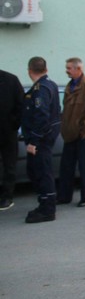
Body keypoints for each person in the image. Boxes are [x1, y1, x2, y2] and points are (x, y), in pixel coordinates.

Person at [57, 57, 85, 207]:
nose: (67, 71)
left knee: (84, 166)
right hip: (70, 134)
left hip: (84, 135)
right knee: (66, 167)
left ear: (78, 69)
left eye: (69, 68)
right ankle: (64, 196)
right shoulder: (70, 85)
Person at [22, 57, 61, 223]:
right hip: (45, 138)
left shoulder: (41, 89)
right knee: (36, 171)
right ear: (46, 69)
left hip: (41, 140)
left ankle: (47, 210)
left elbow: (42, 116)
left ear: (29, 70)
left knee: (42, 173)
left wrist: (34, 141)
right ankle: (44, 204)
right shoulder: (50, 85)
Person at [0, 69, 24, 211]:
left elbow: (21, 105)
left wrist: (14, 124)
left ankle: (7, 196)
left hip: (7, 131)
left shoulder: (10, 80)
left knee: (9, 165)